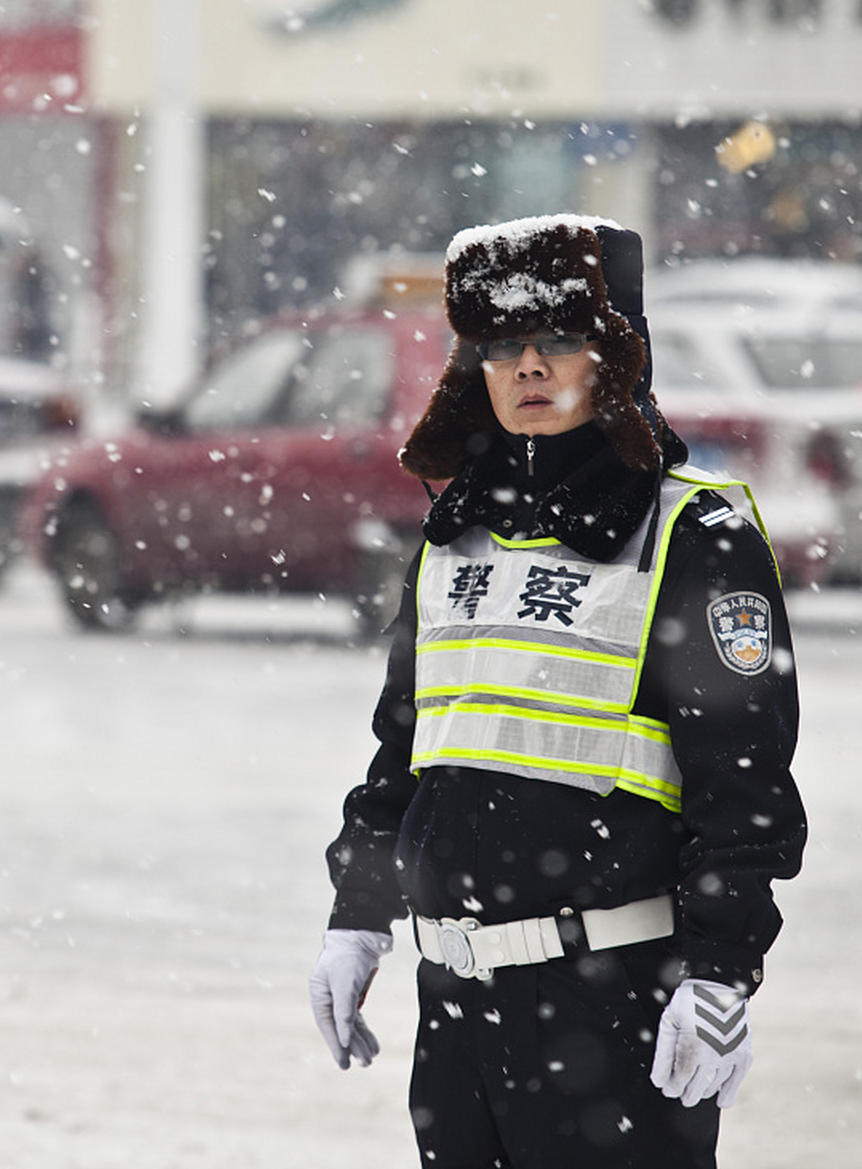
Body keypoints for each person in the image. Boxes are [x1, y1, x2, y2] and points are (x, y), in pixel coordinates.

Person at [308, 214, 806, 1169]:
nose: (528, 367)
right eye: (501, 347)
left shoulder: (692, 534)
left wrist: (719, 973)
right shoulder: (453, 538)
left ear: (615, 356)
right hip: (454, 1009)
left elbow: (743, 784)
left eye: (560, 340)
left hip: (612, 1002)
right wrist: (358, 914)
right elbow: (403, 750)